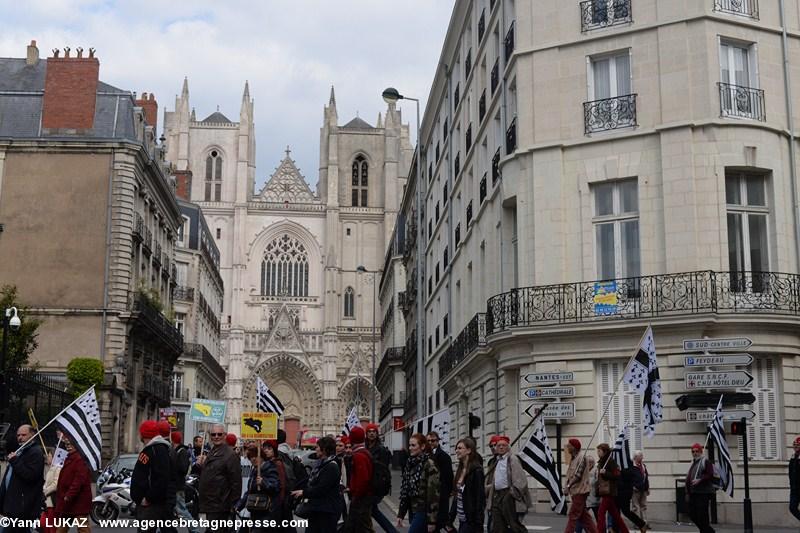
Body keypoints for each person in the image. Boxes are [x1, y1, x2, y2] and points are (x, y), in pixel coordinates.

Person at [0, 424, 45, 533]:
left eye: (24, 435)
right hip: (12, 504)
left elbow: (30, 475)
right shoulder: (20, 450)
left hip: (22, 506)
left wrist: (15, 461)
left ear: (32, 435)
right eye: (18, 435)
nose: (20, 437)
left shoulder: (35, 452)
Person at [197, 423, 242, 531]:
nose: (216, 437)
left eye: (219, 434)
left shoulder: (230, 455)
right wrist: (202, 465)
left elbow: (236, 481)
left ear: (225, 435)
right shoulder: (212, 451)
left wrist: (232, 504)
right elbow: (211, 473)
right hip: (210, 502)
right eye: (213, 434)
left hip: (220, 503)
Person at [291, 436, 341, 533]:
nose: (316, 449)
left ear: (324, 449)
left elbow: (321, 489)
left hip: (326, 512)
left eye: (318, 447)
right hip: (317, 510)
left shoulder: (331, 467)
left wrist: (304, 492)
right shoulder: (321, 465)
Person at [131, 420, 174, 523]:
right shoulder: (151, 449)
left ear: (143, 434)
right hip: (146, 504)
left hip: (150, 505)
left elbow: (162, 478)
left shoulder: (157, 450)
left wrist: (148, 498)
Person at [484, 435, 529, 533]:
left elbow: (520, 480)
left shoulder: (512, 459)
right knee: (498, 525)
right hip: (496, 495)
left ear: (508, 447)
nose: (500, 447)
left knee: (513, 523)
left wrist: (512, 493)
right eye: (498, 445)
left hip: (508, 494)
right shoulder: (497, 461)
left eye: (503, 445)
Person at [396, 433, 439, 533]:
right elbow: (405, 490)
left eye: (413, 445)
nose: (410, 448)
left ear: (423, 446)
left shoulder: (429, 465)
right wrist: (401, 514)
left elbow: (433, 494)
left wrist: (432, 520)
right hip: (413, 509)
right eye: (409, 445)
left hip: (423, 511)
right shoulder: (410, 463)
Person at [54, 437, 92, 533]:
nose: (69, 447)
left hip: (78, 501)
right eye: (67, 445)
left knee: (83, 528)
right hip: (68, 501)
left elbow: (79, 480)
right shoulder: (70, 457)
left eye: (71, 444)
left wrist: (69, 495)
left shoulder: (80, 459)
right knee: (62, 528)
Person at [448, 437, 484, 533]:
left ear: (468, 450)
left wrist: (478, 523)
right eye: (456, 448)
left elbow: (479, 498)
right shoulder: (460, 469)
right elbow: (457, 496)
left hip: (471, 521)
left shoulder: (477, 471)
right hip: (462, 519)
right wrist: (450, 519)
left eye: (460, 448)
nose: (456, 451)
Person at [366, 423, 397, 533]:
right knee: (372, 511)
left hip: (376, 485)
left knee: (369, 510)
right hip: (367, 484)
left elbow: (383, 469)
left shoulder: (381, 449)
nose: (371, 434)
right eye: (369, 432)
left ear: (377, 434)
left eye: (373, 432)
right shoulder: (365, 447)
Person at [343, 426, 374, 533]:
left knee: (361, 527)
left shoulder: (358, 456)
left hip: (361, 498)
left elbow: (363, 479)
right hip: (363, 497)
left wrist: (355, 494)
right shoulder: (365, 452)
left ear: (352, 439)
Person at [241, 444, 280, 531]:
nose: (253, 459)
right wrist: (238, 506)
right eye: (251, 457)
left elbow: (275, 487)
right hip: (256, 509)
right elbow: (250, 491)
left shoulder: (270, 468)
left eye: (255, 456)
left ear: (262, 456)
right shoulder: (254, 470)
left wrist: (263, 482)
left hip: (267, 512)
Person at [564, 438, 597, 533]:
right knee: (585, 517)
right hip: (575, 491)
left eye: (569, 445)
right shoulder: (573, 459)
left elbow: (578, 476)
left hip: (580, 491)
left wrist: (568, 486)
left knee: (573, 515)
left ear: (574, 447)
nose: (567, 447)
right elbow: (570, 475)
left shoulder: (581, 458)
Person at [594, 443, 630, 533]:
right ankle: (625, 531)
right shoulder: (601, 462)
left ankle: (600, 531)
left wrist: (605, 473)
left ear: (605, 451)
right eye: (597, 451)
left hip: (609, 491)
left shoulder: (611, 462)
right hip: (604, 490)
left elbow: (617, 475)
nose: (598, 452)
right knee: (615, 515)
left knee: (600, 512)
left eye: (599, 451)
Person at [171, 431, 200, 533]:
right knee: (171, 510)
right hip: (175, 485)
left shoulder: (181, 451)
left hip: (178, 486)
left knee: (182, 510)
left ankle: (195, 530)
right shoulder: (178, 451)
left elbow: (183, 468)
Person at [685, 443, 715, 533]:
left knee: (702, 516)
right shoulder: (693, 463)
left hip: (702, 493)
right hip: (693, 493)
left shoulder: (705, 461)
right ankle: (707, 531)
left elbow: (710, 474)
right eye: (693, 451)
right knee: (692, 515)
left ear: (701, 452)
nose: (694, 453)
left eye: (696, 451)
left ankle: (707, 531)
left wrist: (700, 480)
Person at [427, 431, 453, 532]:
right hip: (430, 496)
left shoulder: (443, 456)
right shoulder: (425, 455)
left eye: (433, 440)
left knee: (441, 522)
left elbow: (448, 476)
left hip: (441, 494)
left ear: (438, 441)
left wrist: (447, 492)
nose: (430, 442)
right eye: (428, 440)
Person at [262, 440, 290, 531]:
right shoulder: (266, 463)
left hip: (276, 503)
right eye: (264, 448)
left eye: (269, 449)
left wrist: (280, 502)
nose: (266, 451)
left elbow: (282, 484)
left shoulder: (277, 463)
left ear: (274, 450)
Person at [616, 455, 647, 533]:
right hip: (618, 492)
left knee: (625, 511)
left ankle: (641, 524)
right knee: (616, 512)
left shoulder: (630, 469)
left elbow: (639, 479)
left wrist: (634, 486)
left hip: (624, 493)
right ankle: (616, 529)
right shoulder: (622, 468)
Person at [42, 444, 65, 533]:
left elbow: (55, 484)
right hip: (47, 502)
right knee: (43, 523)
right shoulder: (50, 469)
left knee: (52, 526)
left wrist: (45, 491)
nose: (47, 458)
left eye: (49, 456)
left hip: (52, 501)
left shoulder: (57, 469)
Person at [485, 435, 501, 533]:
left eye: (495, 445)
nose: (493, 448)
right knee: (490, 526)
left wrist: (489, 488)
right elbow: (488, 478)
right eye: (491, 446)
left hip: (499, 498)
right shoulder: (491, 461)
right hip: (490, 498)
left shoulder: (506, 460)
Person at [631, 450, 649, 526]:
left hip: (643, 489)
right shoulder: (631, 466)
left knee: (643, 506)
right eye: (641, 456)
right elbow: (629, 478)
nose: (642, 457)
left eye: (642, 456)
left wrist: (648, 488)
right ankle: (637, 523)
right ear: (636, 457)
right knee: (635, 507)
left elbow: (646, 477)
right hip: (635, 490)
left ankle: (644, 523)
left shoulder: (643, 466)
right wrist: (632, 486)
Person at [790, 437, 800, 522]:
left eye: (797, 445)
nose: (795, 447)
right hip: (794, 489)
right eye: (795, 445)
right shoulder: (793, 457)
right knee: (792, 508)